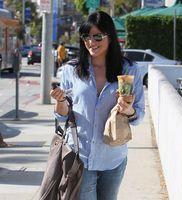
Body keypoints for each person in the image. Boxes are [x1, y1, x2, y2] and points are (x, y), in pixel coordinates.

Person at [50, 11, 145, 200]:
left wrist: (128, 110)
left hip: (114, 157)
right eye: (87, 36)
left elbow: (139, 115)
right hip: (80, 156)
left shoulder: (130, 69)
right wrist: (60, 101)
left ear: (110, 37)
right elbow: (62, 116)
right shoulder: (71, 70)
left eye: (97, 36)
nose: (91, 42)